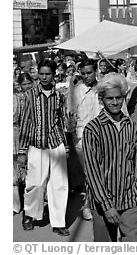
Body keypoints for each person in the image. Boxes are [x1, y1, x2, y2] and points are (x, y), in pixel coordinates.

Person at [83, 74, 137, 242]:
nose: (115, 102)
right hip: (103, 203)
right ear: (102, 99)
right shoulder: (92, 129)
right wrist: (107, 206)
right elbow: (92, 172)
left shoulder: (130, 125)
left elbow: (136, 162)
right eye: (110, 98)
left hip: (130, 199)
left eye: (119, 98)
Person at [17, 59, 70, 236]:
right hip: (36, 144)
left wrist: (66, 146)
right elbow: (25, 122)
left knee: (59, 184)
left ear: (53, 74)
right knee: (35, 183)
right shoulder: (30, 95)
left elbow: (61, 121)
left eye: (48, 74)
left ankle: (59, 222)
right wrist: (22, 151)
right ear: (37, 74)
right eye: (41, 74)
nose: (44, 77)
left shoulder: (59, 95)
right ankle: (30, 215)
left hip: (56, 144)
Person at [68, 59, 102, 221]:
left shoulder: (103, 88)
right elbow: (70, 116)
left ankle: (99, 202)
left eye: (89, 72)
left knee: (101, 172)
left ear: (96, 71)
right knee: (90, 173)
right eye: (84, 73)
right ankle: (88, 205)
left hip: (102, 137)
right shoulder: (76, 91)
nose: (87, 76)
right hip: (82, 138)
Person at [13, 73, 34, 215]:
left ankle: (30, 205)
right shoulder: (16, 98)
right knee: (13, 174)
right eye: (24, 84)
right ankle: (15, 206)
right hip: (15, 136)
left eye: (28, 83)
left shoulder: (31, 97)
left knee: (30, 172)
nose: (26, 86)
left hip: (27, 136)